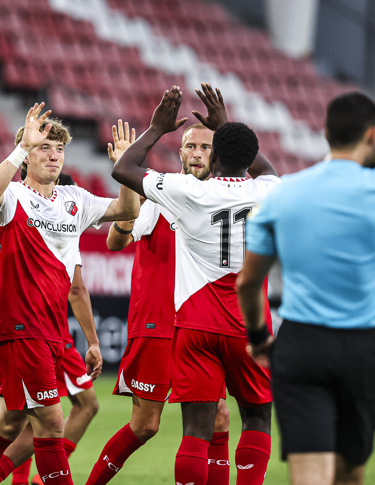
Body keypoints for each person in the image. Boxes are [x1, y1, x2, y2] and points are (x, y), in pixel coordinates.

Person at [237, 92, 375, 485]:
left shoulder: (284, 191)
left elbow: (248, 281)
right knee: (350, 473)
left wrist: (260, 337)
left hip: (302, 343)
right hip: (363, 348)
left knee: (309, 474)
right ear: (374, 134)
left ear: (325, 132)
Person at [0, 104, 139, 485]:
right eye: (44, 148)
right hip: (21, 327)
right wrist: (22, 146)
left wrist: (125, 168)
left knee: (7, 421)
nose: (53, 155)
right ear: (27, 156)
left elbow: (127, 209)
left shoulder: (75, 199)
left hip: (52, 331)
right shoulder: (14, 198)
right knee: (52, 422)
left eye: (59, 149)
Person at [112, 85, 279, 485]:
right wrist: (226, 127)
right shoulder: (269, 190)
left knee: (196, 433)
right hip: (249, 326)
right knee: (256, 417)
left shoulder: (189, 191)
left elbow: (123, 169)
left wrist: (155, 129)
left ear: (214, 156)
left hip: (195, 326)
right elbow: (267, 170)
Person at [89, 97, 235, 485]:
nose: (198, 152)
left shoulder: (226, 199)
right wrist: (129, 195)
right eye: (191, 145)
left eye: (206, 146)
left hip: (202, 326)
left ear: (217, 154)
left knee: (219, 417)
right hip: (159, 326)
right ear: (180, 150)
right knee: (145, 424)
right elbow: (116, 244)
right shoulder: (163, 191)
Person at [0, 173, 100, 485]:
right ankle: (18, 480)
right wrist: (92, 341)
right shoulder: (58, 225)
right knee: (45, 414)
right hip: (34, 326)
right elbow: (76, 290)